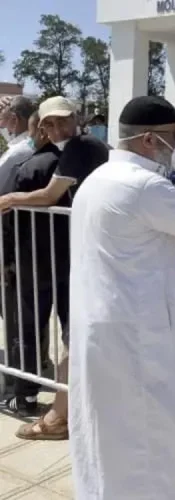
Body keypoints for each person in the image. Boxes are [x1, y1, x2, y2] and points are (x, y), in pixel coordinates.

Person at [68, 95, 175, 499]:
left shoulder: (97, 178)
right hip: (137, 333)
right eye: (173, 137)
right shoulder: (145, 184)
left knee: (107, 431)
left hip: (102, 324)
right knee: (155, 436)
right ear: (148, 140)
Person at [3, 96, 109, 441]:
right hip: (65, 258)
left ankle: (60, 412)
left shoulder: (83, 145)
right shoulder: (67, 150)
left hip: (78, 259)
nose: (58, 128)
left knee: (75, 333)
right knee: (65, 332)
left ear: (76, 119)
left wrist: (9, 200)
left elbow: (49, 196)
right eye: (50, 124)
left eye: (64, 121)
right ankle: (58, 402)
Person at [0, 110, 69, 417]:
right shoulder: (73, 164)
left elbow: (6, 217)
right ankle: (72, 392)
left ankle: (23, 395)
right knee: (72, 331)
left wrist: (5, 259)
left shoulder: (22, 167)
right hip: (71, 262)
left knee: (25, 330)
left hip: (29, 263)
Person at [0, 96, 36, 173]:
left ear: (14, 119)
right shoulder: (32, 142)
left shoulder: (14, 153)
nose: (1, 125)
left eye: (1, 119)